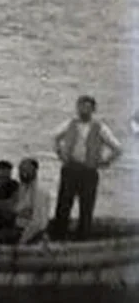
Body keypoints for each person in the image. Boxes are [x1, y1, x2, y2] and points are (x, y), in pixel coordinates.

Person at [50, 95, 122, 240]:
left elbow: (117, 148)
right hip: (70, 168)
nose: (84, 110)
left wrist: (105, 162)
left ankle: (83, 238)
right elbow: (54, 137)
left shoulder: (100, 127)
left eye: (88, 107)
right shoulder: (69, 124)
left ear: (93, 110)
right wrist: (59, 153)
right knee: (63, 204)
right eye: (81, 106)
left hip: (88, 171)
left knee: (86, 206)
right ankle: (58, 236)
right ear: (77, 108)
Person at [10, 158, 51, 245]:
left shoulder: (40, 192)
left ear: (35, 171)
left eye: (27, 170)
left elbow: (39, 223)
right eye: (21, 170)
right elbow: (16, 210)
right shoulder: (21, 189)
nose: (23, 173)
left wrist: (22, 240)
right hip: (19, 228)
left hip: (32, 233)